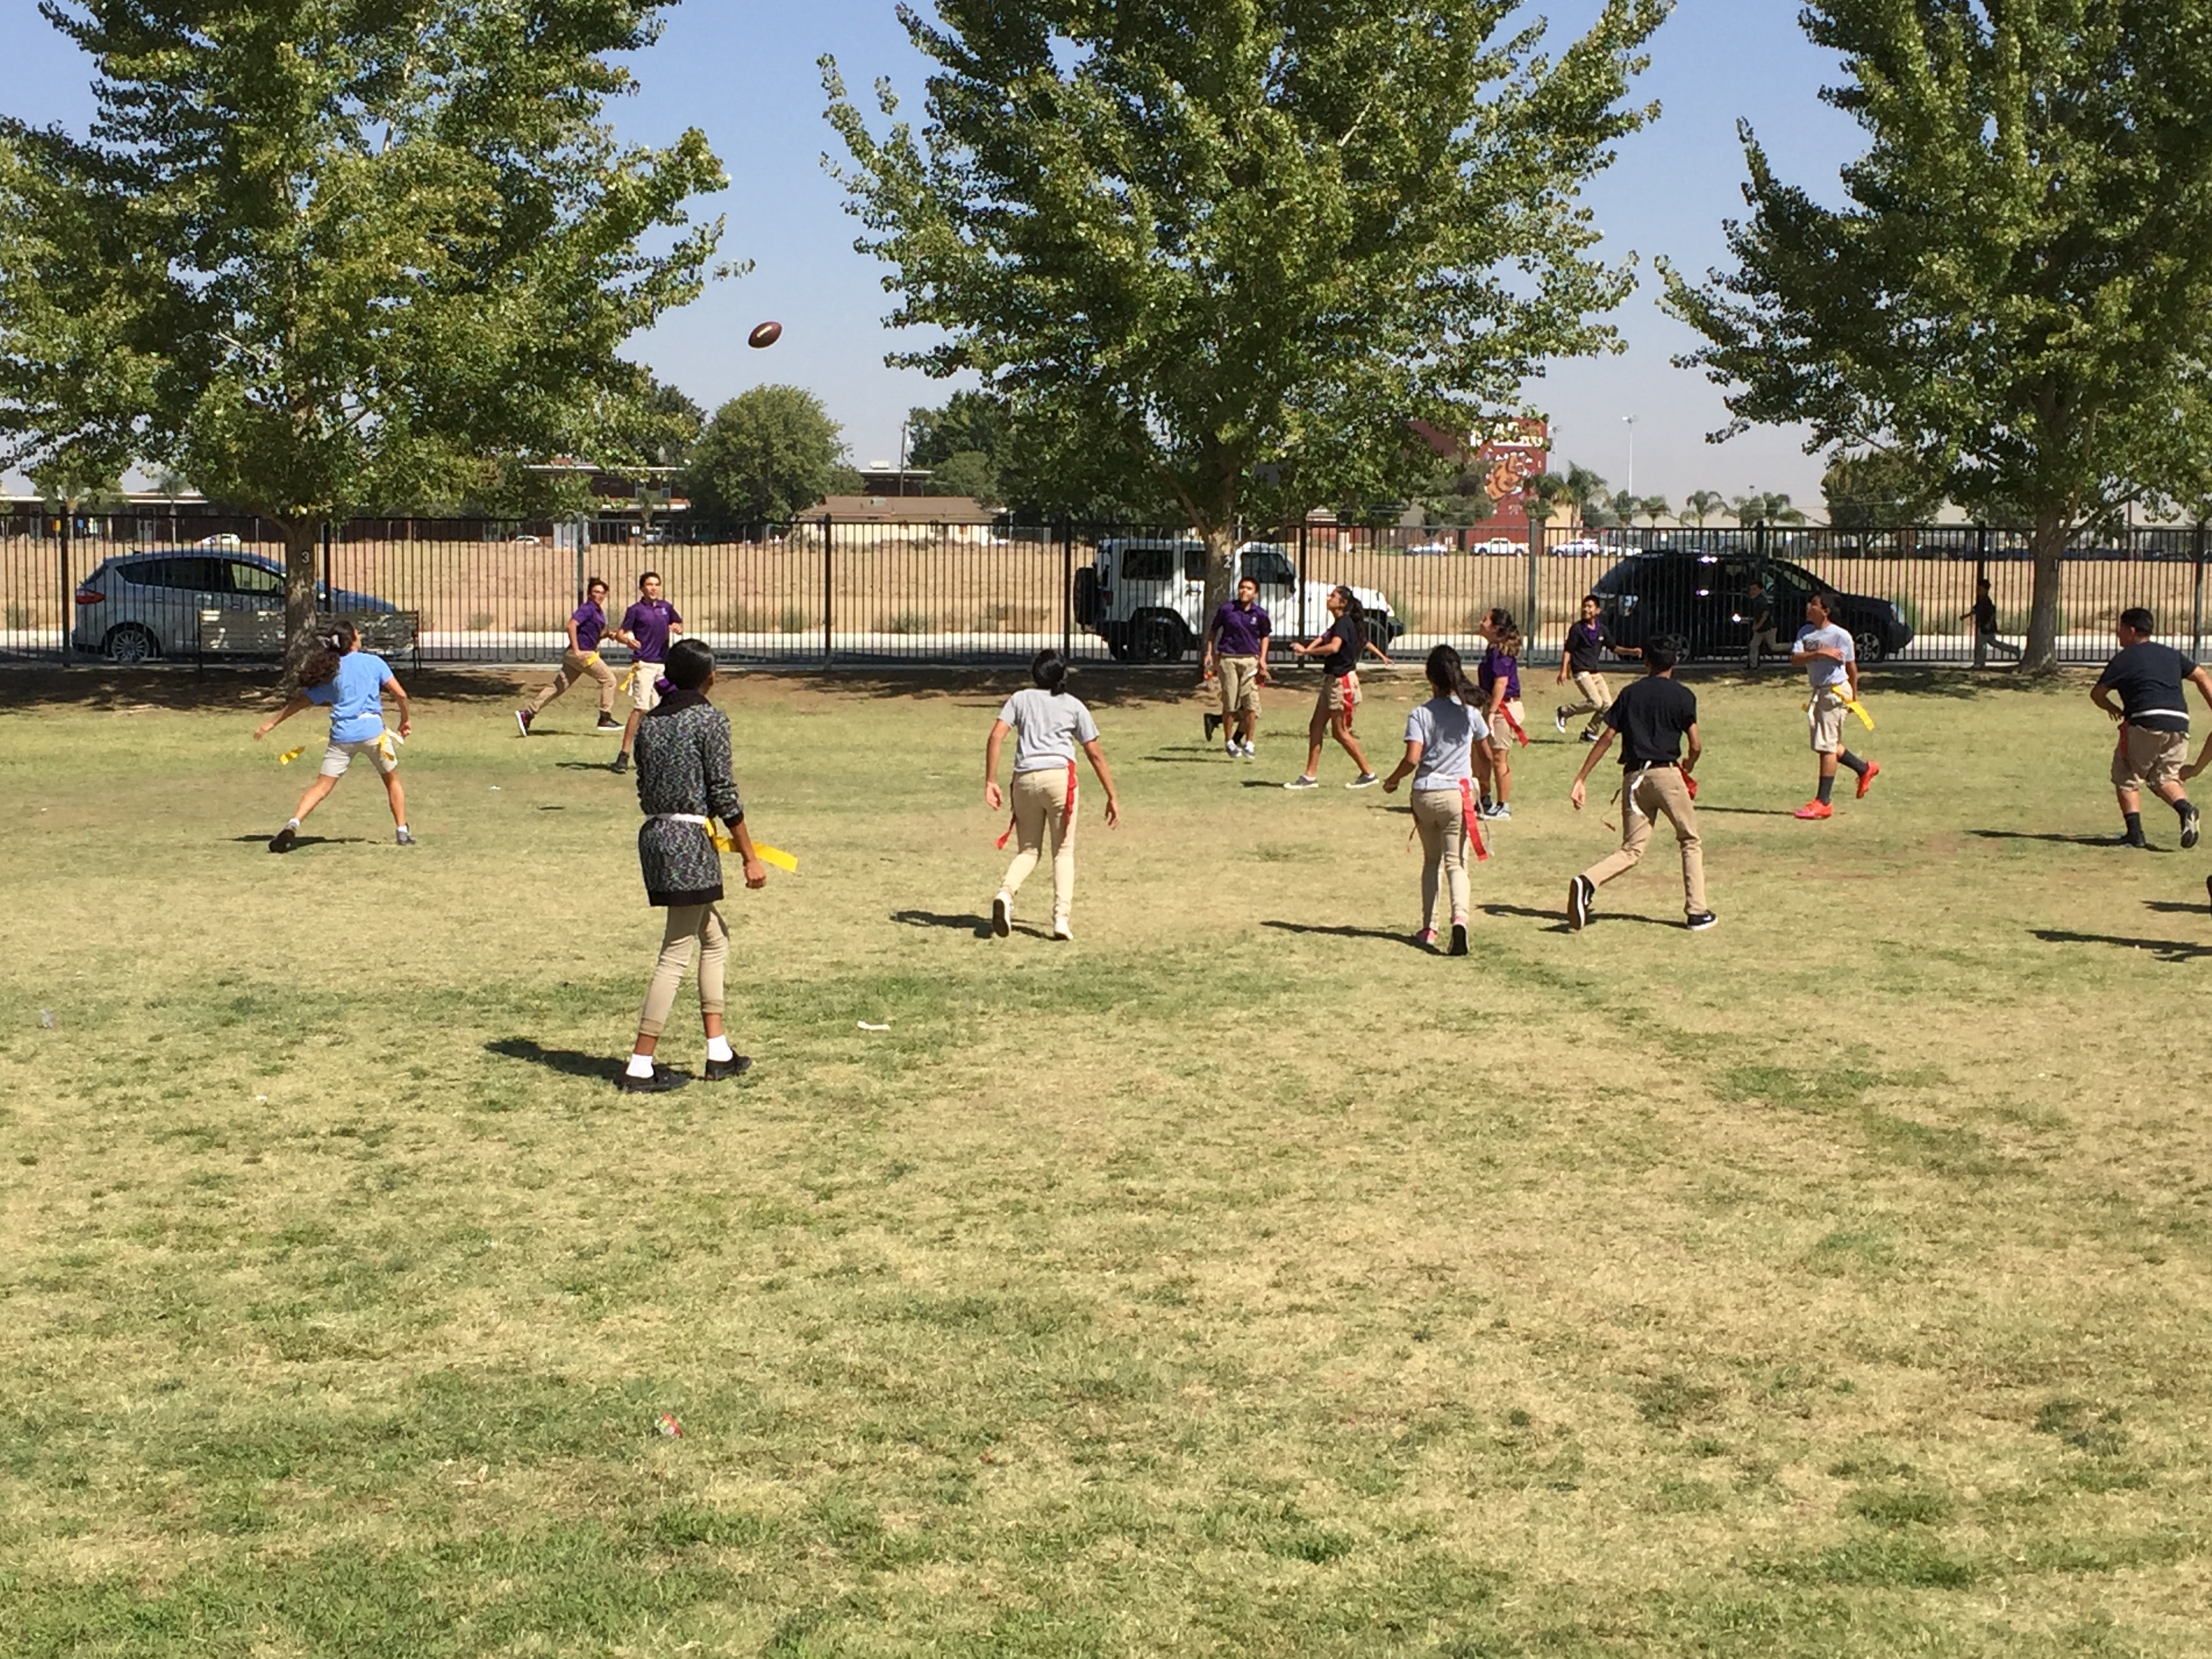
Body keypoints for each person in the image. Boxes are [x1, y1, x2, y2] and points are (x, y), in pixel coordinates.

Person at [621, 638, 768, 1094]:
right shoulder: (709, 718)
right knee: (676, 951)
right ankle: (640, 1064)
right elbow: (724, 793)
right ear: (708, 677)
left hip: (657, 835)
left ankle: (718, 1049)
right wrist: (749, 855)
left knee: (716, 938)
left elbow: (647, 790)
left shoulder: (649, 723)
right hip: (689, 842)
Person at [1566, 634, 1715, 932]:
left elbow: (1607, 737)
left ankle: (1587, 881)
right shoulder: (1684, 695)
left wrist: (1581, 777)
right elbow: (1696, 744)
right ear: (1675, 661)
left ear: (1645, 660)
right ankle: (1697, 911)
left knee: (1631, 850)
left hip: (1634, 778)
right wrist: (1689, 765)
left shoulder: (1630, 693)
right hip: (1667, 774)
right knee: (1689, 839)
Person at [985, 650, 1122, 941]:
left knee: (1028, 851)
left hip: (1024, 779)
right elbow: (1094, 753)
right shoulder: (1073, 706)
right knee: (1063, 851)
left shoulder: (1020, 699)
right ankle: (1061, 918)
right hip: (1059, 778)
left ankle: (1005, 893)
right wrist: (1112, 794)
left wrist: (990, 780)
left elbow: (996, 736)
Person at [253, 620, 414, 852]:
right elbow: (401, 694)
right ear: (353, 639)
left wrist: (270, 723)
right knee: (392, 780)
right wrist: (404, 720)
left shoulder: (332, 671)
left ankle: (293, 823)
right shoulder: (374, 663)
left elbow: (301, 702)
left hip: (342, 735)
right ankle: (402, 831)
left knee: (321, 786)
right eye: (358, 632)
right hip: (373, 733)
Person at [1382, 645, 1493, 956]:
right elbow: (1486, 753)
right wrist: (1484, 783)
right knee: (1456, 863)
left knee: (1431, 861)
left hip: (1425, 793)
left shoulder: (1420, 714)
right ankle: (1460, 920)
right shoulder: (1470, 713)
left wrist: (1393, 780)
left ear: (1430, 676)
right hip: (1457, 794)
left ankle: (1429, 927)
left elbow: (1412, 758)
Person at [2092, 608, 2209, 850]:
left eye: (2121, 628)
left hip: (2146, 720)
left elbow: (2098, 693)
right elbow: (2200, 675)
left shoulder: (2124, 659)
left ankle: (2135, 835)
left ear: (2132, 631)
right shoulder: (2171, 654)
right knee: (2164, 778)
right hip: (2179, 723)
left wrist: (2114, 708)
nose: (2117, 633)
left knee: (2126, 774)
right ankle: (2187, 810)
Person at [1284, 586, 1392, 790]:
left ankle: (1368, 774)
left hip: (1341, 682)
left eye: (1333, 596)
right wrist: (1308, 648)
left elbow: (1334, 647)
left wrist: (1307, 653)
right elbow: (1325, 639)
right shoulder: (1339, 623)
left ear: (1342, 603)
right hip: (1331, 680)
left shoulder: (1344, 623)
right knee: (1316, 725)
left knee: (1340, 732)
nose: (1328, 598)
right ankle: (1309, 776)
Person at [1791, 592, 1880, 820]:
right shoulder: (1805, 632)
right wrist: (1820, 652)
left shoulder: (1841, 636)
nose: (1808, 606)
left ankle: (1824, 802)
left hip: (1836, 692)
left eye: (1813, 604)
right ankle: (1864, 768)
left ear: (1826, 610)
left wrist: (1854, 699)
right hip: (1819, 692)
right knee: (1828, 743)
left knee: (1827, 747)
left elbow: (1852, 669)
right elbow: (1795, 659)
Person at [517, 577, 621, 736]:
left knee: (558, 687)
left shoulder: (597, 611)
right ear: (589, 594)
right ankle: (605, 718)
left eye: (602, 593)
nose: (599, 595)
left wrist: (606, 635)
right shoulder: (587, 608)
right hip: (583, 654)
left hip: (579, 653)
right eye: (595, 592)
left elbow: (589, 635)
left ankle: (528, 714)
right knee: (609, 680)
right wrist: (577, 650)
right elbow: (571, 625)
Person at [609, 571, 683, 774]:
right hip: (644, 666)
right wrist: (627, 641)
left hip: (663, 667)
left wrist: (677, 627)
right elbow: (620, 634)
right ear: (642, 588)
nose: (653, 588)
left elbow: (677, 624)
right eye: (649, 584)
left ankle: (662, 755)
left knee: (666, 708)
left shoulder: (666, 608)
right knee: (641, 708)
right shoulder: (636, 610)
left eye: (656, 584)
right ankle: (624, 754)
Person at [1201, 575, 1272, 758]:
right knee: (1230, 703)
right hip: (1228, 659)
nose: (1244, 591)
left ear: (1255, 594)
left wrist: (1263, 658)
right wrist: (1209, 652)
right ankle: (1229, 741)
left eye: (1248, 588)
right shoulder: (1227, 609)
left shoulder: (1260, 614)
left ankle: (1249, 742)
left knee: (1252, 704)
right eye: (1242, 587)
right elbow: (1213, 631)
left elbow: (1265, 636)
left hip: (1250, 660)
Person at [1555, 594, 1640, 743]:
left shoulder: (1602, 630)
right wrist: (1563, 671)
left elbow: (1614, 648)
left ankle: (1590, 732)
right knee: (1596, 702)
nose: (1586, 609)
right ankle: (1564, 712)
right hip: (1581, 670)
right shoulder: (1577, 629)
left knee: (1607, 705)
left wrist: (1631, 651)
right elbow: (1568, 650)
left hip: (1594, 672)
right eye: (1585, 606)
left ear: (1598, 610)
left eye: (1590, 606)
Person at [1475, 608, 1526, 818]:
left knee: (1499, 758)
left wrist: (1492, 712)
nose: (1481, 621)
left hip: (1503, 709)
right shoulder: (1492, 650)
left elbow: (1501, 683)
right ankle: (1484, 798)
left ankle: (1503, 805)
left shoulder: (1500, 653)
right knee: (1481, 754)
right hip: (1493, 707)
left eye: (1485, 619)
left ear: (1495, 628)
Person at [1961, 579, 2022, 668]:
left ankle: (1979, 663)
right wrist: (1965, 616)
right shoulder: (1981, 600)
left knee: (1980, 645)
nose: (1979, 591)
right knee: (1993, 643)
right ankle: (2013, 649)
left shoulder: (1987, 601)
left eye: (1980, 589)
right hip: (1983, 626)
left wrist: (1989, 623)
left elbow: (1992, 613)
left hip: (1985, 627)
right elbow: (1975, 611)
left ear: (1986, 590)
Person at [1746, 579, 1783, 672]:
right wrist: (1756, 626)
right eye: (1751, 590)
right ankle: (1753, 665)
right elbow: (1757, 616)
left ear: (1760, 590)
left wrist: (1757, 626)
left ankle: (1792, 646)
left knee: (1773, 647)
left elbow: (1765, 614)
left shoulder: (1762, 601)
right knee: (1753, 645)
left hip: (1768, 629)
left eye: (1755, 589)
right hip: (1761, 629)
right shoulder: (1757, 600)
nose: (1752, 592)